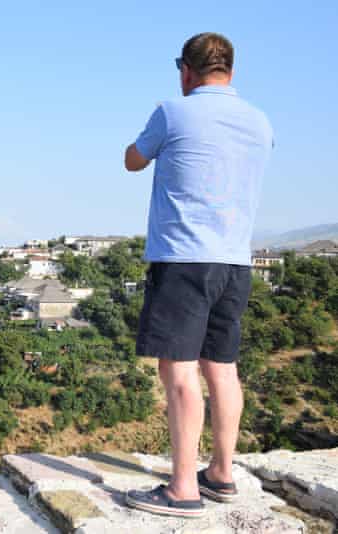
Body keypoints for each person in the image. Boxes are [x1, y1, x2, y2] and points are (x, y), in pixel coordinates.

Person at [123, 32, 273, 517]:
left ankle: (182, 488)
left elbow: (133, 160)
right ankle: (221, 473)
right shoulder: (259, 121)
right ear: (231, 70)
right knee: (222, 366)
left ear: (185, 70)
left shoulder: (173, 111)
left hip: (185, 256)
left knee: (179, 369)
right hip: (235, 261)